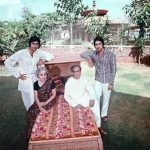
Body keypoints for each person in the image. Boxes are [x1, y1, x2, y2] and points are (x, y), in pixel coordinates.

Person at [4, 35, 54, 110]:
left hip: (35, 78)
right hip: (25, 79)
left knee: (36, 97)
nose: (35, 45)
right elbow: (7, 62)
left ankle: (37, 115)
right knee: (28, 101)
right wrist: (17, 75)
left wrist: (43, 61)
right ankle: (30, 115)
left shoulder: (38, 52)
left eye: (37, 44)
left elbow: (51, 56)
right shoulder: (21, 53)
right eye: (33, 43)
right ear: (29, 44)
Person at [80, 36, 116, 122]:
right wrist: (89, 58)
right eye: (96, 44)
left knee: (106, 98)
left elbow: (114, 69)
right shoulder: (94, 53)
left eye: (99, 44)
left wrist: (111, 83)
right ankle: (96, 114)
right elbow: (82, 54)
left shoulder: (111, 54)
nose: (98, 46)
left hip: (107, 80)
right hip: (98, 80)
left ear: (103, 44)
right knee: (96, 97)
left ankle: (104, 114)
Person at [64, 64, 106, 134]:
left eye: (78, 71)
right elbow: (66, 96)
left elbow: (90, 89)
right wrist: (75, 104)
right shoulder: (69, 82)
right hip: (76, 101)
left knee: (95, 104)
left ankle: (98, 127)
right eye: (74, 72)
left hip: (85, 98)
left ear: (80, 71)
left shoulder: (84, 79)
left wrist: (92, 99)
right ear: (72, 73)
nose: (76, 73)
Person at [26, 67, 56, 141]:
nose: (44, 76)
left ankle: (39, 131)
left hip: (49, 100)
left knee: (37, 112)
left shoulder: (51, 82)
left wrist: (46, 102)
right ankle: (31, 131)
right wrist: (40, 107)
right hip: (39, 101)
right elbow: (36, 96)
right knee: (31, 110)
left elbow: (54, 94)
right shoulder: (35, 83)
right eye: (41, 75)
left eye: (45, 74)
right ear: (38, 75)